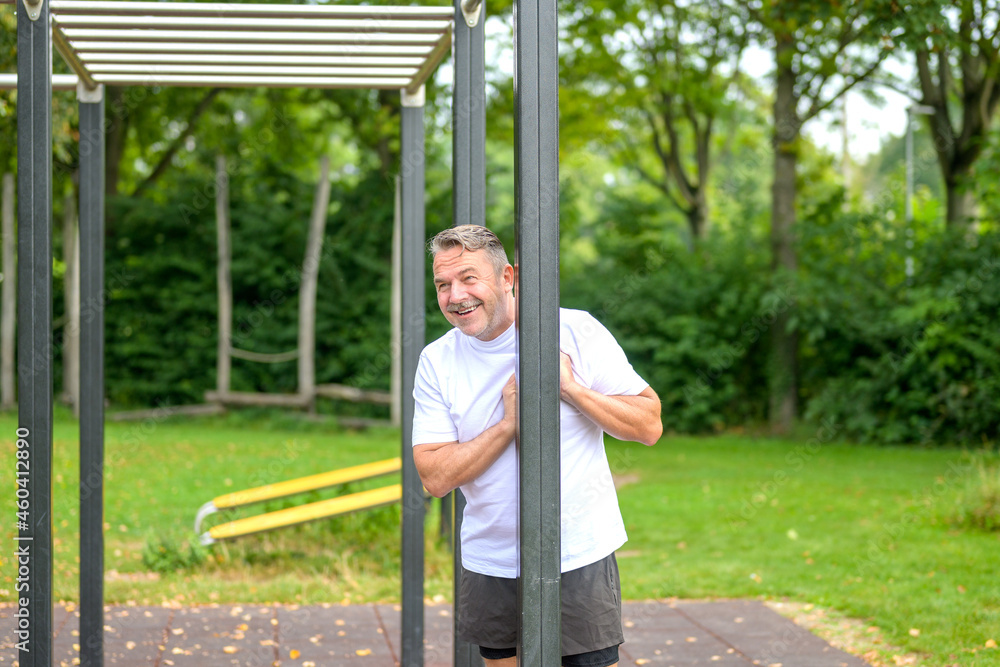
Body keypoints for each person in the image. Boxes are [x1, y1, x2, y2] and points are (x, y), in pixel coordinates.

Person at [411, 225, 662, 667]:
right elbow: (434, 476)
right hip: (491, 560)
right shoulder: (437, 360)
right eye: (443, 284)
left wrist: (571, 389)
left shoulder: (574, 330)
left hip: (577, 552)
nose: (455, 295)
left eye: (469, 278)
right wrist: (510, 423)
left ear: (508, 277)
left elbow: (648, 424)